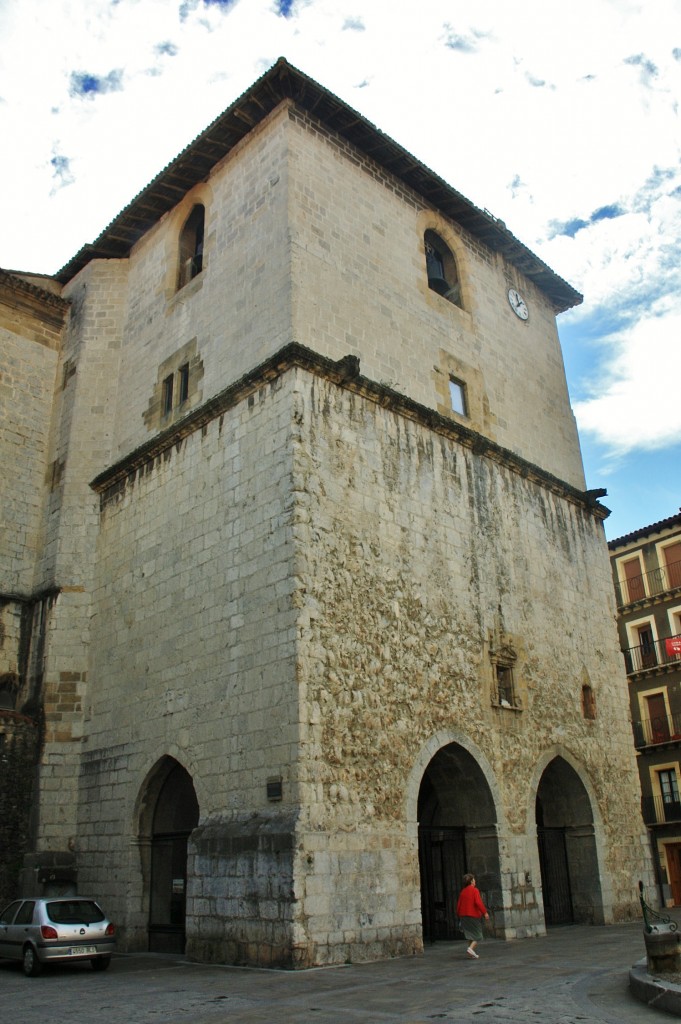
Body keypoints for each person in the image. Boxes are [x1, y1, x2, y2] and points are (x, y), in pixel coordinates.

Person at [456, 873, 489, 959]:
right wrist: (485, 912)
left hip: (463, 916)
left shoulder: (463, 892)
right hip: (472, 915)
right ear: (471, 881)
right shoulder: (475, 890)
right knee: (478, 935)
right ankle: (471, 948)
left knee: (470, 934)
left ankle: (471, 953)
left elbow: (459, 905)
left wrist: (458, 914)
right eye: (474, 879)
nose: (475, 881)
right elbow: (478, 902)